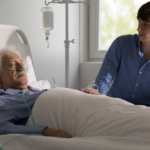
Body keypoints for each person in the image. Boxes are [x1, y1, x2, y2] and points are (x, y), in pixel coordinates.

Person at [0, 46, 99, 138]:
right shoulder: (5, 100)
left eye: (22, 63)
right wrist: (45, 131)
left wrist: (85, 95)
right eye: (12, 65)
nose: (21, 67)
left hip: (91, 110)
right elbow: (2, 126)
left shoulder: (40, 91)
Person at [95, 1, 150, 106]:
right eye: (139, 21)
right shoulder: (122, 44)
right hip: (114, 109)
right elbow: (102, 80)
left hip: (145, 117)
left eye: (146, 24)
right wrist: (96, 97)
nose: (139, 28)